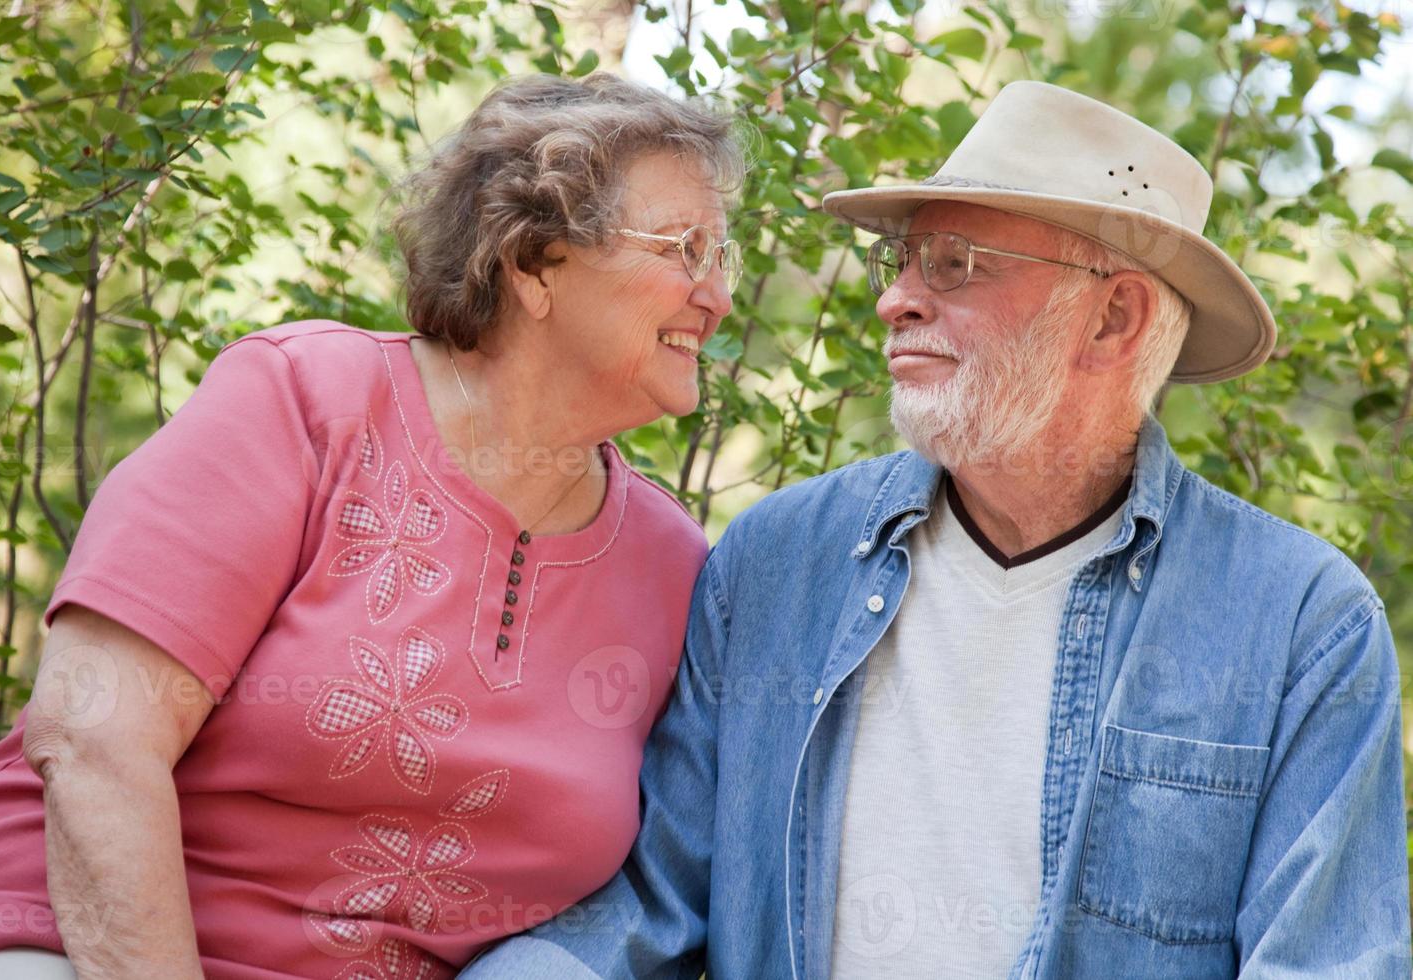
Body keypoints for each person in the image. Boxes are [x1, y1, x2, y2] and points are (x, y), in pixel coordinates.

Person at [458, 81, 1411, 978]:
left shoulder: (1301, 627)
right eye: (903, 260)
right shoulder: (776, 563)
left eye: (954, 265)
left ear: (1113, 318)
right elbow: (649, 911)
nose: (895, 299)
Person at [0, 72, 744, 979]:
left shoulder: (675, 567)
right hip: (63, 943)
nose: (716, 297)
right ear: (532, 262)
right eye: (685, 248)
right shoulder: (307, 402)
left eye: (724, 258)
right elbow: (94, 736)